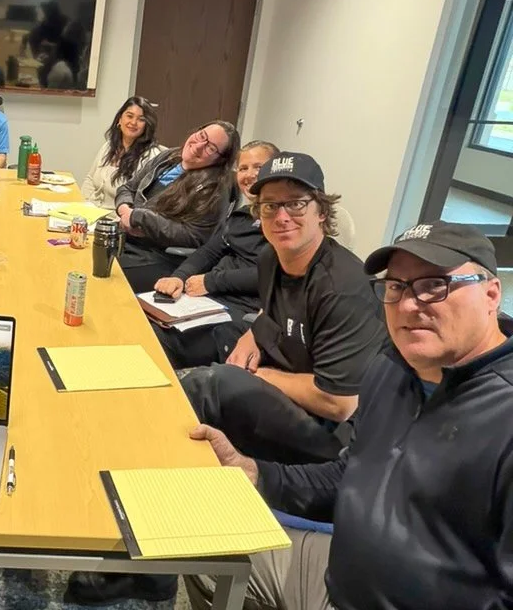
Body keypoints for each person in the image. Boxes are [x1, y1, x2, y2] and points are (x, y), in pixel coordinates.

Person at [186, 221, 513, 610]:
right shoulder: (390, 369)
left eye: (434, 286)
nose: (410, 304)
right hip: (336, 578)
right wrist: (255, 473)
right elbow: (348, 476)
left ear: (492, 294)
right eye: (396, 287)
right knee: (199, 544)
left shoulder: (502, 414)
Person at [180, 152, 389, 465]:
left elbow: (339, 402)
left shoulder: (343, 288)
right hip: (292, 374)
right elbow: (277, 309)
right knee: (212, 336)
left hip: (333, 432)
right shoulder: (272, 258)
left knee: (214, 384)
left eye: (296, 203)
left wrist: (256, 374)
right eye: (270, 205)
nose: (282, 216)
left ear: (321, 211)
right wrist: (253, 334)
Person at [152, 140, 279, 368]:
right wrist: (179, 277)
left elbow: (272, 274)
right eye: (243, 168)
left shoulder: (283, 222)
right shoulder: (242, 217)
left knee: (160, 343)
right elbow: (210, 250)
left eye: (258, 167)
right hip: (208, 301)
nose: (249, 175)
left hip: (244, 311)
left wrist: (211, 281)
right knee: (146, 322)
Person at [114, 121, 240, 294]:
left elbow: (194, 235)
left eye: (211, 148)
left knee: (105, 274)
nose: (198, 146)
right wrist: (125, 211)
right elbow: (127, 188)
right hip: (127, 239)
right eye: (202, 136)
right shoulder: (168, 157)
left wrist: (140, 218)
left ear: (220, 159)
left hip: (158, 256)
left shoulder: (215, 189)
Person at [81, 96, 163, 209]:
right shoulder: (109, 146)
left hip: (119, 220)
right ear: (120, 119)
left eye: (141, 119)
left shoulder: (150, 156)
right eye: (129, 116)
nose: (133, 122)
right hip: (92, 213)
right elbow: (89, 179)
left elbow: (143, 201)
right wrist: (85, 205)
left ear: (147, 125)